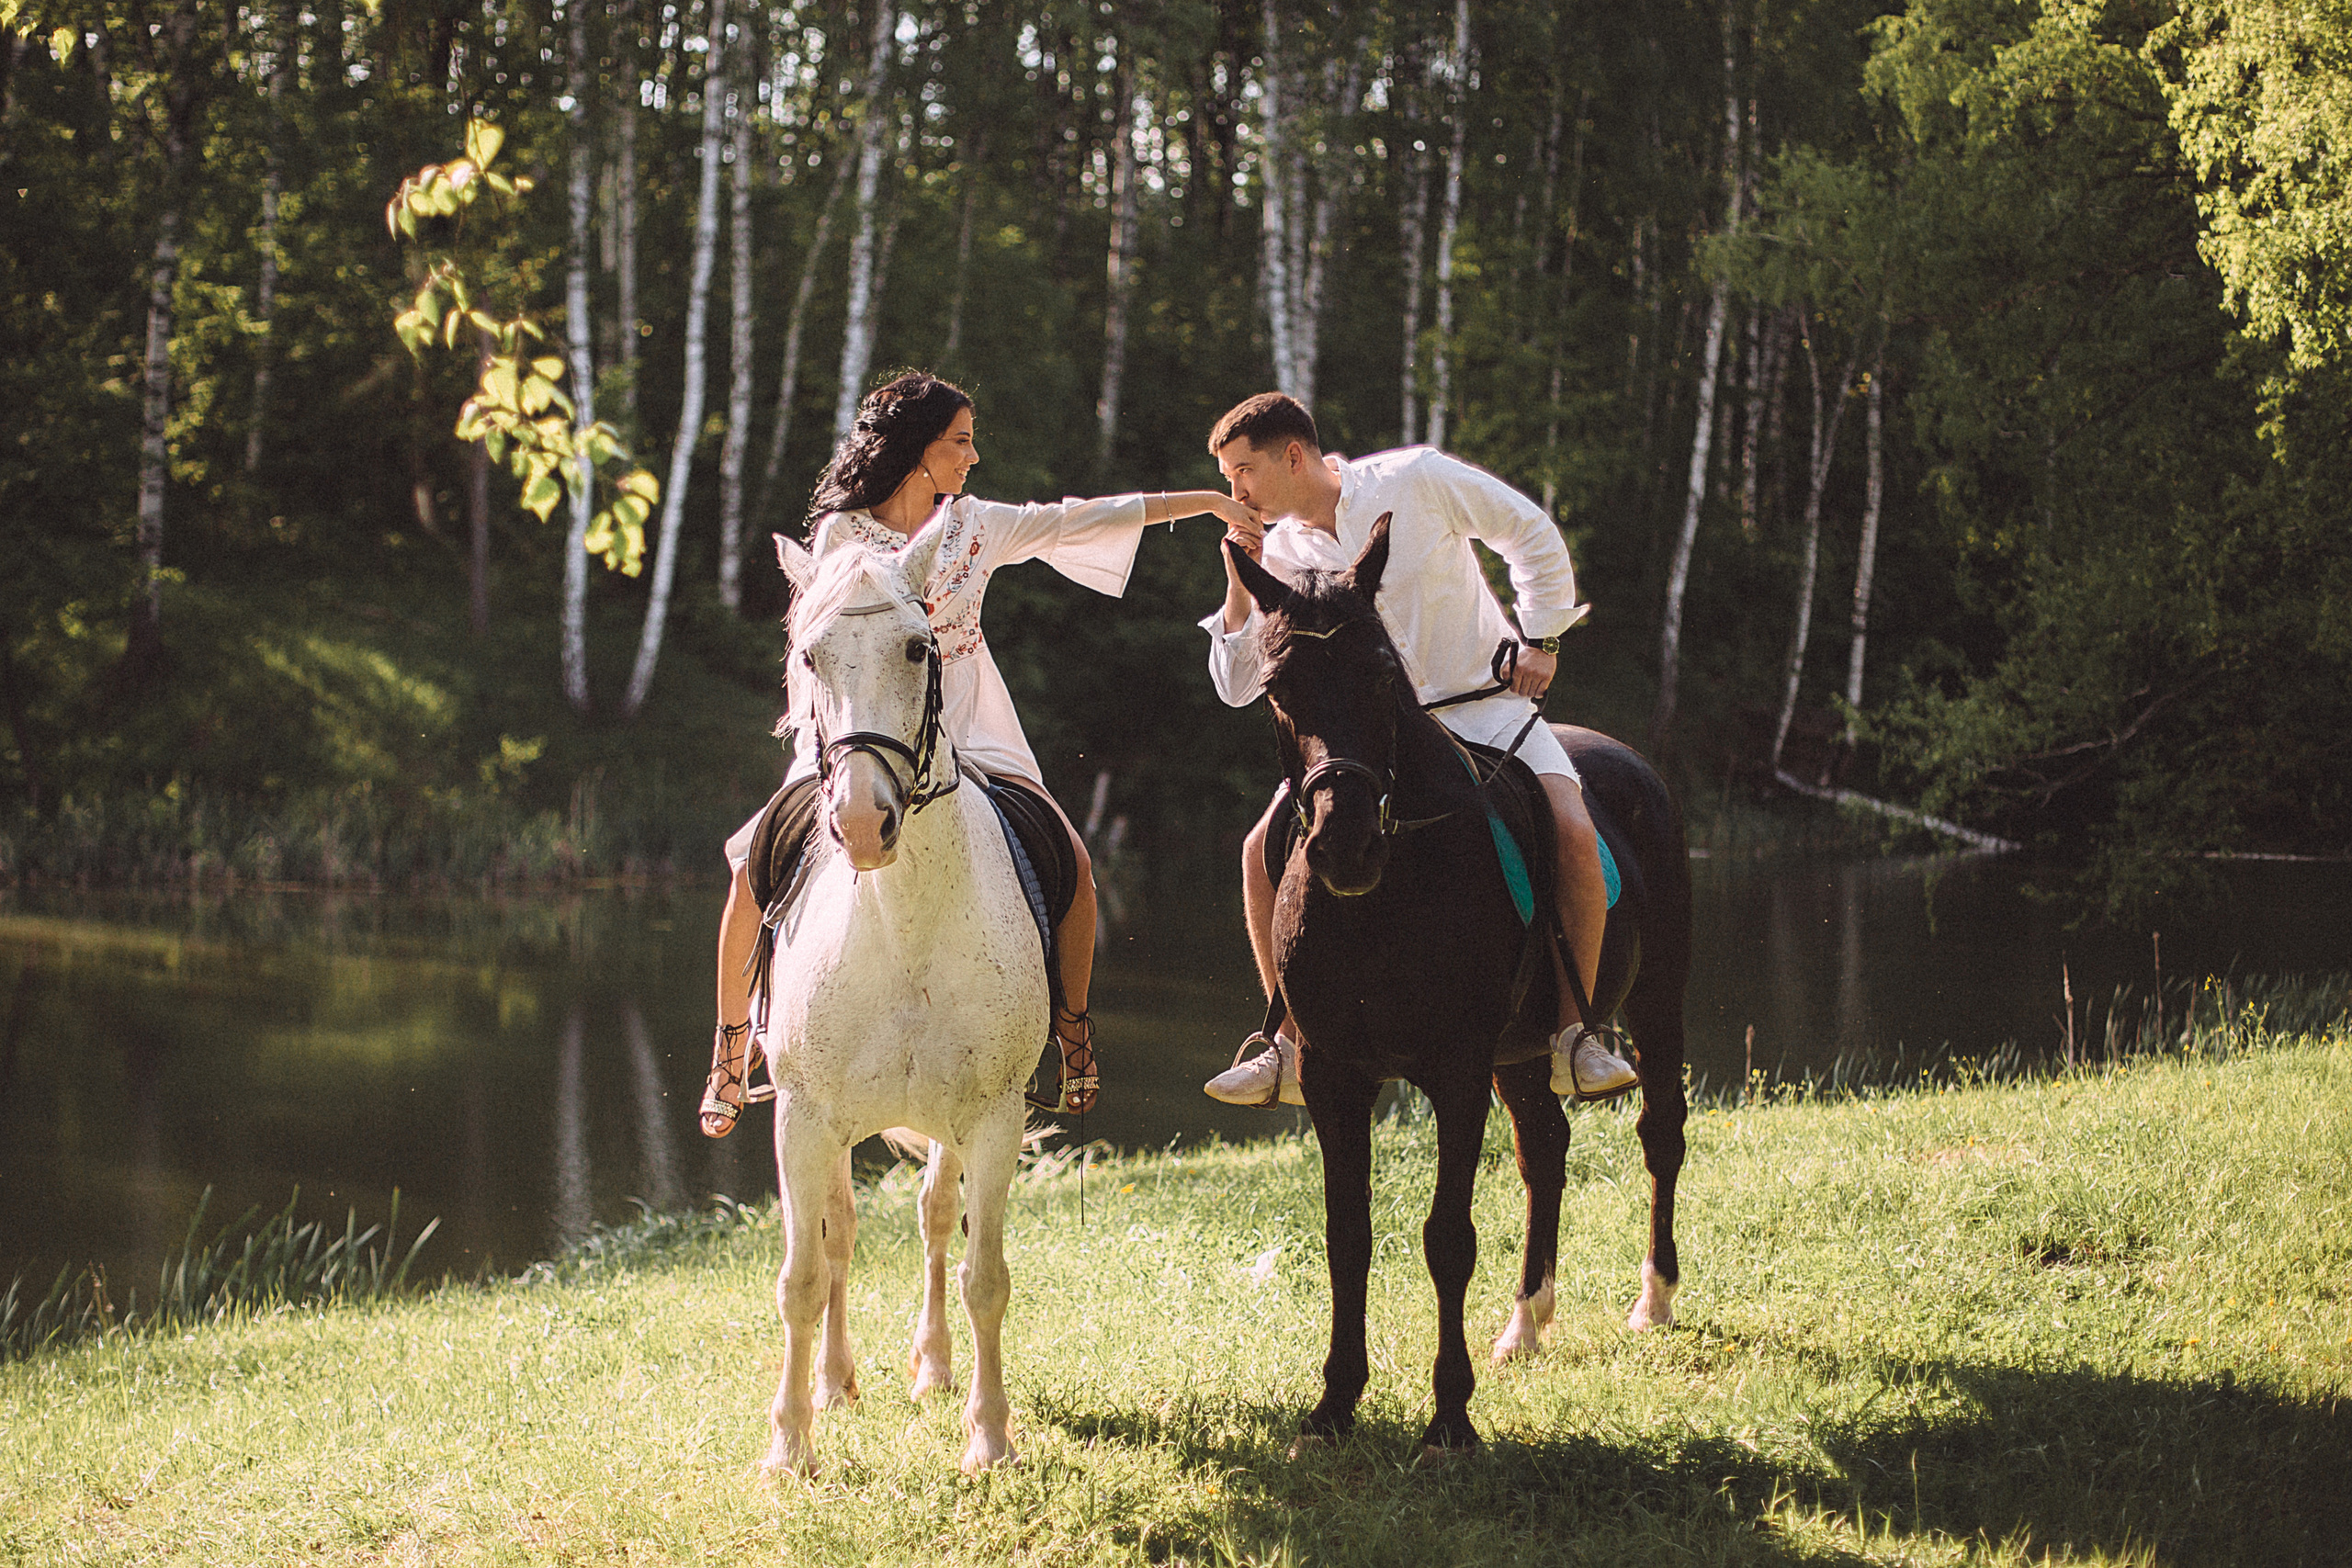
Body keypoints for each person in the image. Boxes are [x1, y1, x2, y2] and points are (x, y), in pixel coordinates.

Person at [701, 371, 1252, 1136]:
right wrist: (822, 748)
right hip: (861, 725)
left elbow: (1081, 519)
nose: (974, 455)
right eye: (960, 440)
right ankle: (732, 1050)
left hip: (967, 716)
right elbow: (812, 652)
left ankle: (1072, 1032)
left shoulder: (976, 525)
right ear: (918, 451)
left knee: (1076, 866)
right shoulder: (839, 537)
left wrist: (1208, 503)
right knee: (746, 862)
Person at [1196, 392, 1636, 1107]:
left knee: (1573, 830)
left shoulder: (1416, 478)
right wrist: (1238, 594)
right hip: (1370, 744)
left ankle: (1574, 1034)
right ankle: (1284, 1043)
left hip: (1481, 709)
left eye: (1242, 471)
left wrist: (1542, 638)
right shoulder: (1273, 551)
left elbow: (1527, 530)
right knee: (1257, 850)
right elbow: (1240, 686)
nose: (1235, 492)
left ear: (1294, 455)